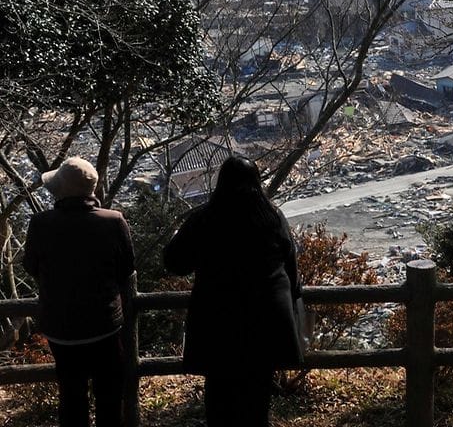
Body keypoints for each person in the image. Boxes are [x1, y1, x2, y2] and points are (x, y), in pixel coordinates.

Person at [164, 155, 303, 427]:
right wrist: (293, 297)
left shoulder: (205, 218)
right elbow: (291, 265)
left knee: (219, 394)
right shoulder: (272, 217)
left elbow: (174, 262)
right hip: (267, 316)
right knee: (258, 394)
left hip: (218, 317)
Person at [23, 157, 136, 427]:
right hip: (105, 325)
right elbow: (127, 268)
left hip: (61, 328)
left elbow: (31, 266)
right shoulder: (113, 221)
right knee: (110, 397)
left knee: (71, 398)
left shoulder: (41, 224)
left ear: (61, 190)